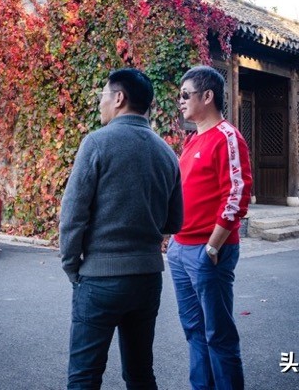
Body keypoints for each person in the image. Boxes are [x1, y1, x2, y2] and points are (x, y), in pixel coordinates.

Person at [59, 67, 183, 390]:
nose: (99, 103)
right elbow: (175, 222)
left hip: (99, 279)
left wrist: (72, 267)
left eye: (102, 95)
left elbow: (72, 214)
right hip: (147, 280)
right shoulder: (167, 154)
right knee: (141, 373)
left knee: (84, 376)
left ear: (119, 98)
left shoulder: (96, 144)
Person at [166, 65, 252, 390]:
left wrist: (213, 246)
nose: (181, 101)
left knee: (218, 335)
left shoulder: (227, 137)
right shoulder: (191, 141)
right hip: (179, 250)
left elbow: (237, 193)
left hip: (209, 251)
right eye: (179, 96)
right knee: (194, 331)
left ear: (207, 96)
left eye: (186, 95)